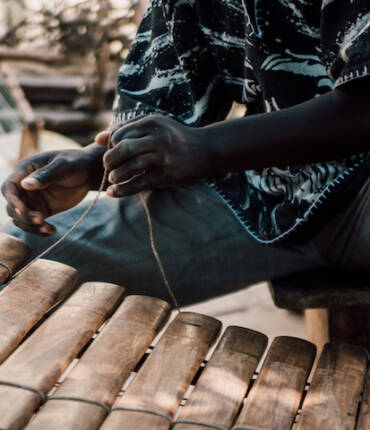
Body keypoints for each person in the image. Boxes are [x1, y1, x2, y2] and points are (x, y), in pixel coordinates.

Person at [1, 0, 369, 307]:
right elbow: (163, 116)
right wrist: (95, 164)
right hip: (269, 194)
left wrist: (209, 148)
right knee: (17, 260)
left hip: (362, 196)